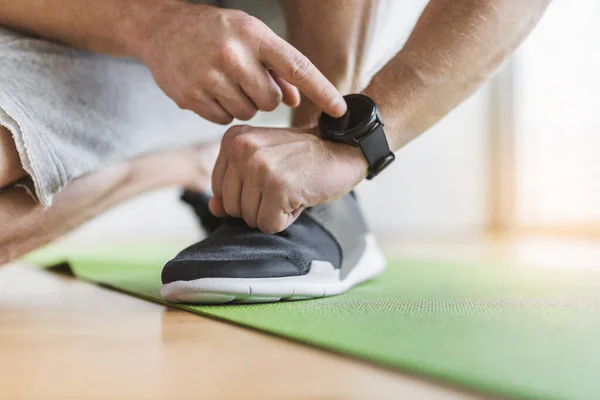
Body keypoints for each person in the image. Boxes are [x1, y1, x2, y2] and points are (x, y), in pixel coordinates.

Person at [0, 0, 550, 303]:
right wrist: (150, 24)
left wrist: (352, 147)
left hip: (272, 28)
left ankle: (317, 168)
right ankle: (182, 162)